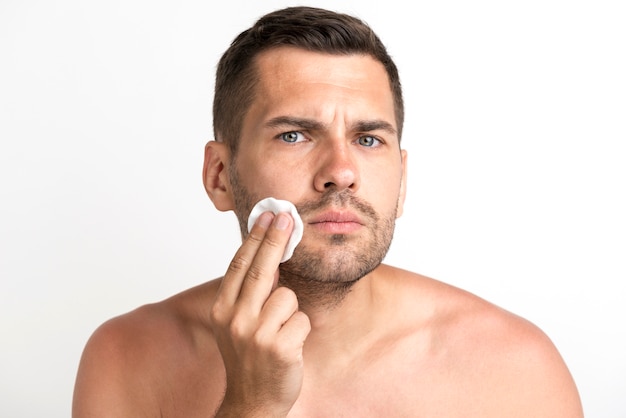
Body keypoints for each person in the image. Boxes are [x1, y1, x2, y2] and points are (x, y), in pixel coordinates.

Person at [72, 6, 583, 417]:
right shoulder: (127, 358)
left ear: (401, 180)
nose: (341, 171)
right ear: (220, 176)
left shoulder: (514, 370)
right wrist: (251, 406)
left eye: (368, 139)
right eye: (294, 135)